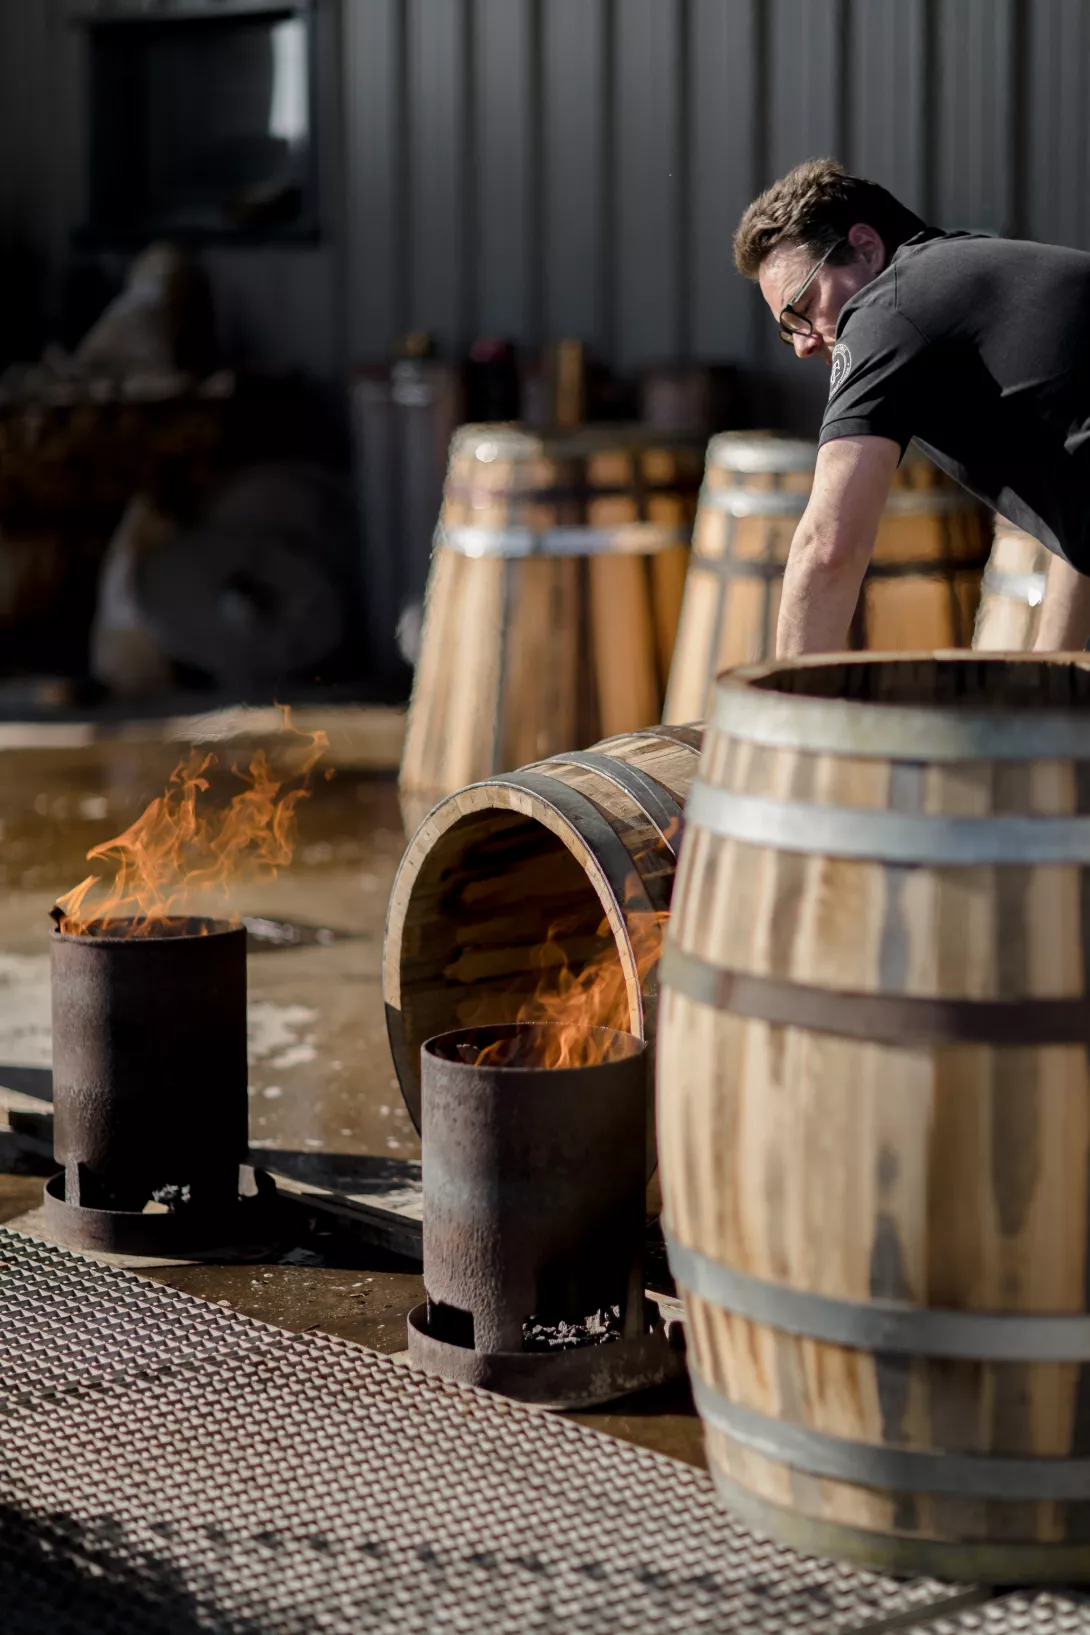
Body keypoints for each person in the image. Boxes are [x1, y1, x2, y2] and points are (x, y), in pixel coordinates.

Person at [734, 158, 1090, 655]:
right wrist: (1056, 679)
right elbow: (1075, 504)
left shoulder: (888, 305)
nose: (804, 343)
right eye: (787, 327)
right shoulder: (980, 280)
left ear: (865, 247)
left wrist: (781, 723)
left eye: (804, 306)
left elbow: (827, 548)